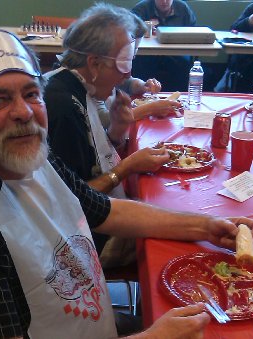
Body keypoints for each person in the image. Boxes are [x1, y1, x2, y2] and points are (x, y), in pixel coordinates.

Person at [0, 26, 253, 339]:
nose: (23, 112)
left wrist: (206, 225)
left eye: (30, 93)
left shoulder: (34, 160)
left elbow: (105, 210)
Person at [44, 3, 181, 264]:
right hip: (82, 241)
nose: (128, 73)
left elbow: (91, 161)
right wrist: (127, 167)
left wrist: (117, 131)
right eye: (123, 62)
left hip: (93, 217)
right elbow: (74, 202)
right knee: (172, 237)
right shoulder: (62, 106)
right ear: (93, 63)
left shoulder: (76, 86)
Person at [131, 0, 197, 91]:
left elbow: (192, 30)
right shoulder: (141, 8)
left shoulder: (183, 8)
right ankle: (143, 93)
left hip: (176, 51)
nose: (164, 1)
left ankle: (180, 95)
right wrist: (145, 30)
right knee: (141, 61)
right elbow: (130, 29)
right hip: (149, 52)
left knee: (184, 62)